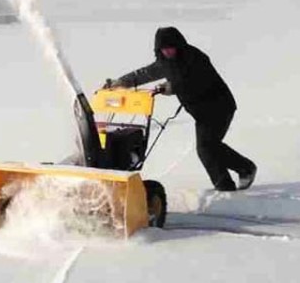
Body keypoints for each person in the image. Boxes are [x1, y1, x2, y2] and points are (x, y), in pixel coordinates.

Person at [109, 26, 256, 192]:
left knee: (206, 147)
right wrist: (120, 82)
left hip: (219, 107)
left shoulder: (195, 58)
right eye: (164, 49)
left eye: (171, 48)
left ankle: (234, 180)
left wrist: (172, 87)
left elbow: (198, 81)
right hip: (201, 113)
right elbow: (144, 74)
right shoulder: (164, 63)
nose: (168, 52)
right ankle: (236, 176)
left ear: (179, 45)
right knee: (209, 147)